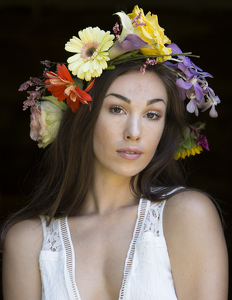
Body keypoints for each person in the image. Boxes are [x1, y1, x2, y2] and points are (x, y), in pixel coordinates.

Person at [1, 5, 228, 300]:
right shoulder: (29, 242)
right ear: (84, 117)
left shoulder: (185, 216)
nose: (134, 131)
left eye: (152, 114)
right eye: (117, 109)